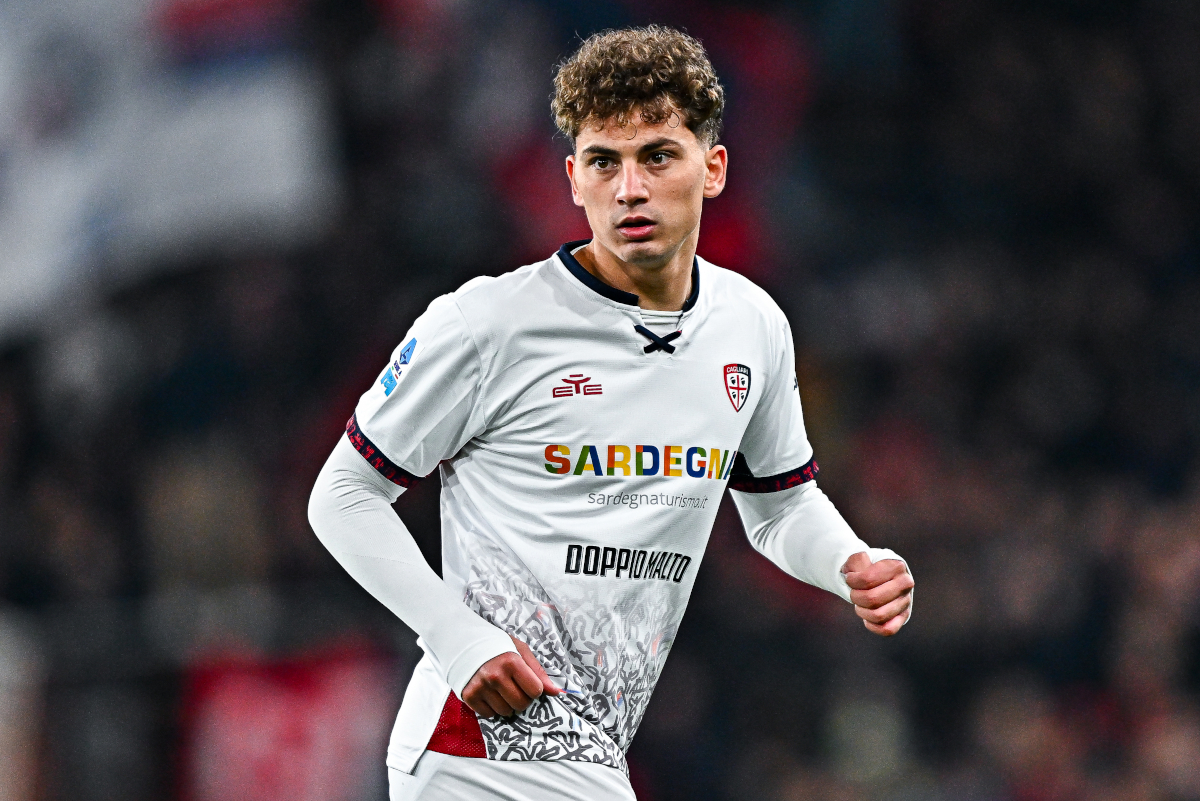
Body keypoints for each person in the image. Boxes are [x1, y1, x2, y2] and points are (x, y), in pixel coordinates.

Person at [308, 24, 913, 801]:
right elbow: (343, 495)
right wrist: (457, 638)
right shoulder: (488, 323)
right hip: (479, 745)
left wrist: (848, 561)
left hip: (590, 753)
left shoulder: (752, 326)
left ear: (714, 168)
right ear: (572, 178)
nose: (630, 188)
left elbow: (780, 506)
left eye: (658, 156)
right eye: (604, 161)